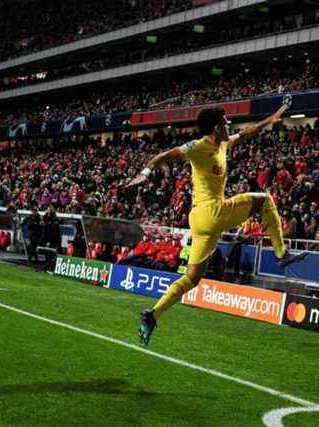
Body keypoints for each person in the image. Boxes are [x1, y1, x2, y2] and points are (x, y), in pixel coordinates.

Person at [129, 100, 309, 346]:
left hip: (201, 220)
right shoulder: (198, 146)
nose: (228, 124)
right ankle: (282, 253)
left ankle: (152, 314)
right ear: (215, 127)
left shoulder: (223, 143)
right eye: (225, 122)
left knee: (193, 277)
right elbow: (165, 155)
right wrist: (146, 173)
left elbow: (245, 134)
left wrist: (270, 120)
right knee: (265, 200)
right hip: (211, 212)